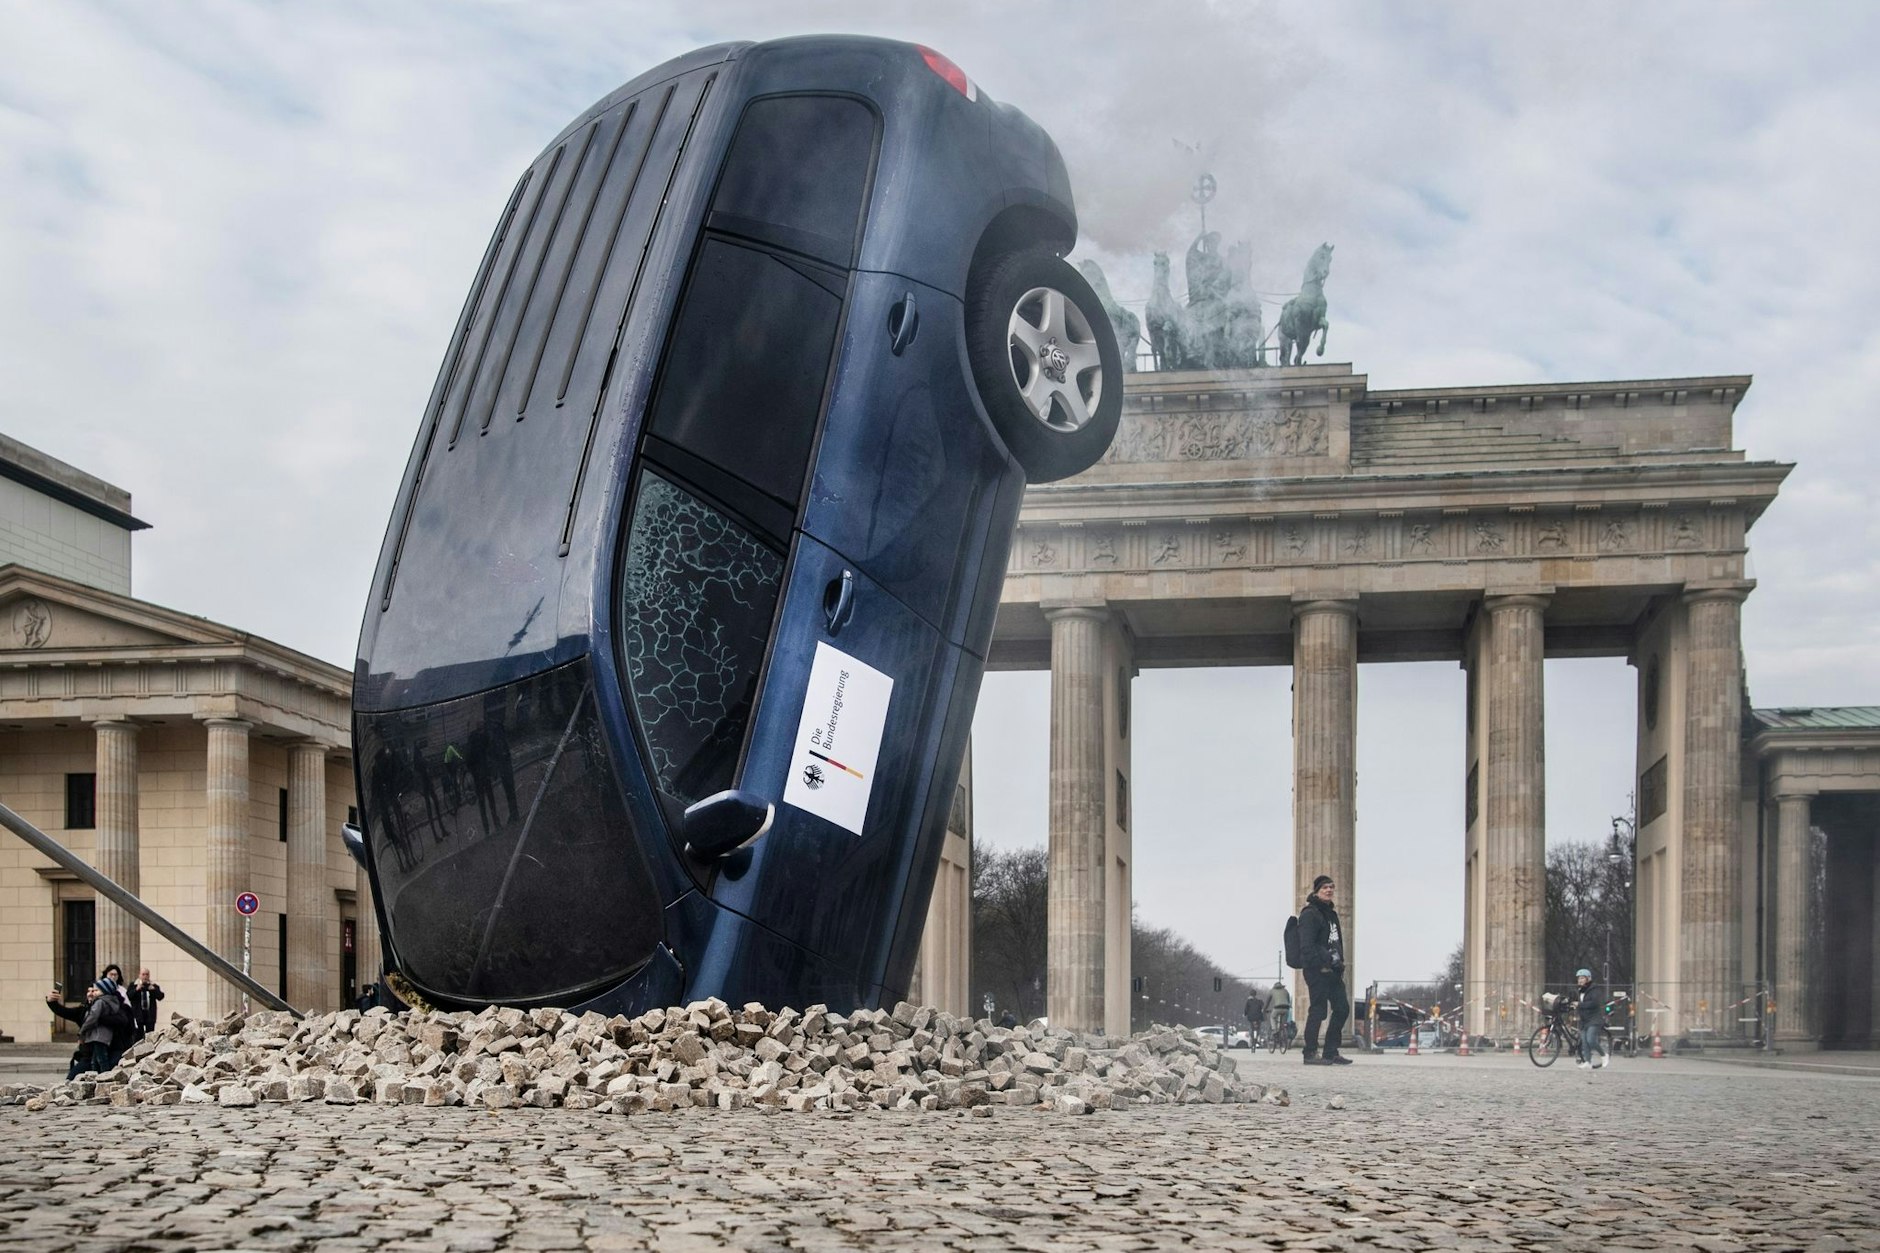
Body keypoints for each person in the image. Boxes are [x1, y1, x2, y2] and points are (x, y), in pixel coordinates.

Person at [1298, 875, 1352, 1065]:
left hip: (1334, 970)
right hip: (1317, 970)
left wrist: (1339, 963)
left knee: (1342, 1008)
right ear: (1316, 891)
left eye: (1331, 887)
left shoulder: (1331, 914)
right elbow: (1306, 945)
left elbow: (1336, 942)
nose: (1329, 890)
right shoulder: (1309, 914)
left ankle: (1330, 1051)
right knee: (1318, 1011)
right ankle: (1310, 1052)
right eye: (1324, 888)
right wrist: (1319, 965)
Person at [45, 982, 127, 1079]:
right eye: (89, 991)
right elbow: (64, 1011)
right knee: (71, 1079)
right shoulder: (83, 1010)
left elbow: (123, 1021)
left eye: (94, 991)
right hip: (88, 1056)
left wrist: (98, 1018)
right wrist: (51, 1002)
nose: (91, 993)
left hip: (111, 1052)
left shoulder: (113, 1007)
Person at [1572, 968, 1607, 1069]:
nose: (1580, 980)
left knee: (1591, 1039)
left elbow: (1594, 1003)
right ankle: (1588, 1061)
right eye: (1578, 978)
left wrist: (1580, 1004)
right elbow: (1579, 1003)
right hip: (1584, 1019)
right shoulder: (1580, 990)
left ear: (1588, 979)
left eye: (1582, 978)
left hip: (1594, 1018)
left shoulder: (1594, 989)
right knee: (1584, 1041)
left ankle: (1604, 1055)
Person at [128, 968, 165, 1044]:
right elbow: (128, 996)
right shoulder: (133, 985)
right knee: (138, 1036)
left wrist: (154, 990)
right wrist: (136, 989)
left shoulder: (153, 986)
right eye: (143, 974)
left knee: (150, 1036)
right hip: (138, 1015)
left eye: (147, 974)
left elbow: (160, 997)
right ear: (139, 975)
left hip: (150, 1015)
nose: (145, 976)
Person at [1267, 980, 1293, 1047]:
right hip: (1286, 1008)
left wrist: (1264, 1009)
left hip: (1277, 1008)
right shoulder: (1285, 991)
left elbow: (1268, 1002)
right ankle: (1283, 1029)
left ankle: (1275, 1031)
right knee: (1283, 1023)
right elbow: (1288, 1000)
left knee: (1272, 1017)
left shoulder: (1272, 991)